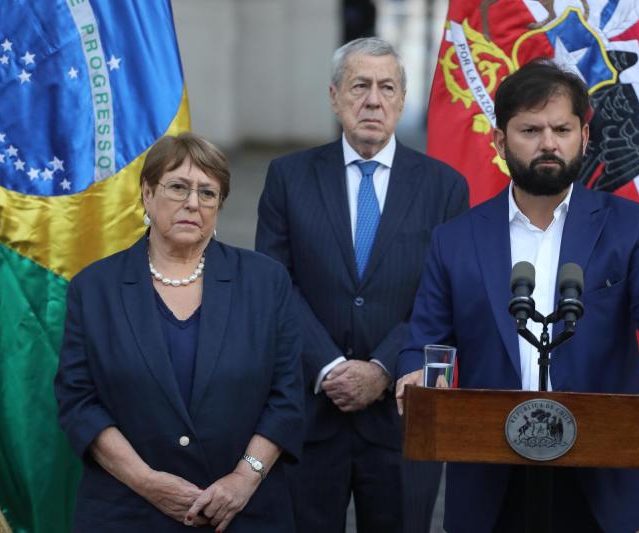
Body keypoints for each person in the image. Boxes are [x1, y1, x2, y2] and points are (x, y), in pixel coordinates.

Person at [396, 59, 639, 532]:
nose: (548, 143)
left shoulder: (631, 226)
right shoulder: (455, 240)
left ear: (584, 135)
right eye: (530, 129)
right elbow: (425, 335)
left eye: (562, 128)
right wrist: (415, 373)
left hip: (604, 472)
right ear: (499, 142)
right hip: (493, 473)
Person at [255, 37, 469, 532]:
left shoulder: (444, 187)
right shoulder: (288, 177)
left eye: (386, 87)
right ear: (334, 97)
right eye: (359, 86)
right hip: (310, 414)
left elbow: (448, 298)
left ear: (401, 99)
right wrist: (329, 366)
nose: (373, 100)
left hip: (400, 417)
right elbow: (275, 283)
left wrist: (382, 368)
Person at [55, 133, 303, 532]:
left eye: (208, 193)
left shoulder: (265, 282)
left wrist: (244, 477)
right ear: (147, 194)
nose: (193, 202)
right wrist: (146, 482)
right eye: (178, 187)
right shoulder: (94, 288)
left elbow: (287, 397)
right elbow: (78, 402)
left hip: (242, 513)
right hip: (127, 512)